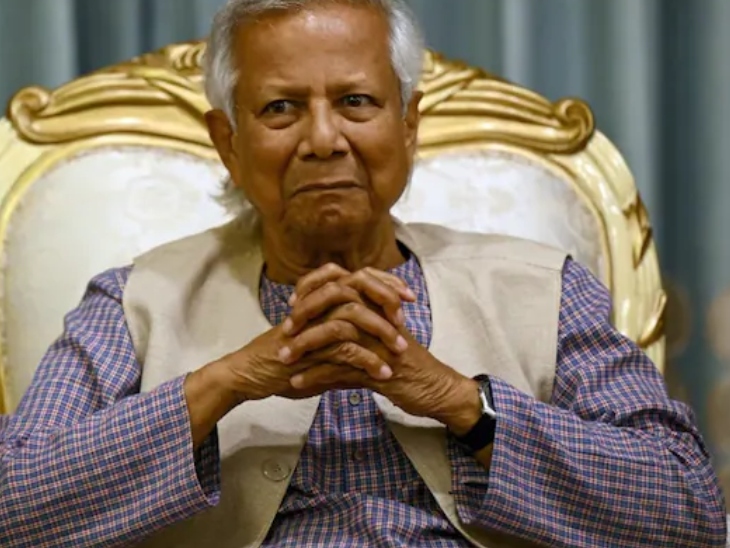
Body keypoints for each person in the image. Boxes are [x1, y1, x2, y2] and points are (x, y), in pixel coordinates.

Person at [0, 0, 727, 546]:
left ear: (408, 125)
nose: (323, 139)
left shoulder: (541, 286)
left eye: (355, 102)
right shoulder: (133, 302)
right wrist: (230, 381)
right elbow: (14, 505)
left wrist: (456, 399)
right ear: (228, 142)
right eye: (281, 108)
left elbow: (689, 508)